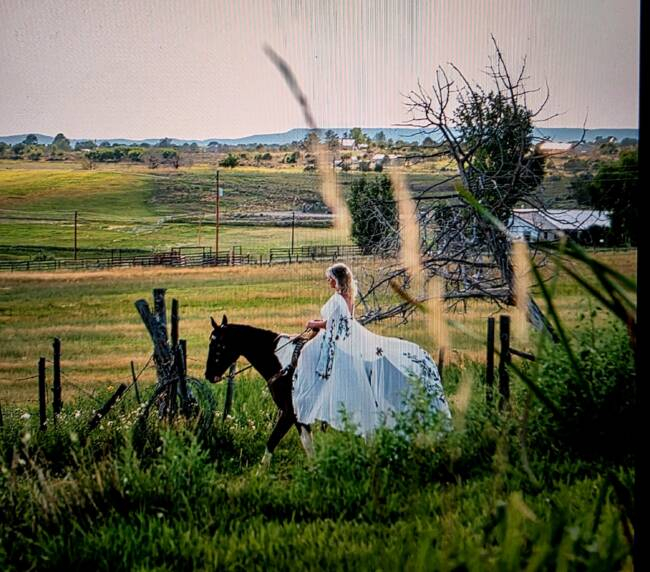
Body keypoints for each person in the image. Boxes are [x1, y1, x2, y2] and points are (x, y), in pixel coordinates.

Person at [292, 262, 451, 436]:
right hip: (346, 333)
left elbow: (335, 323)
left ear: (336, 279)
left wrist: (313, 323)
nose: (328, 282)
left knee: (307, 353)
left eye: (330, 279)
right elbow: (342, 319)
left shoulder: (339, 298)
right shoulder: (348, 295)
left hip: (340, 337)